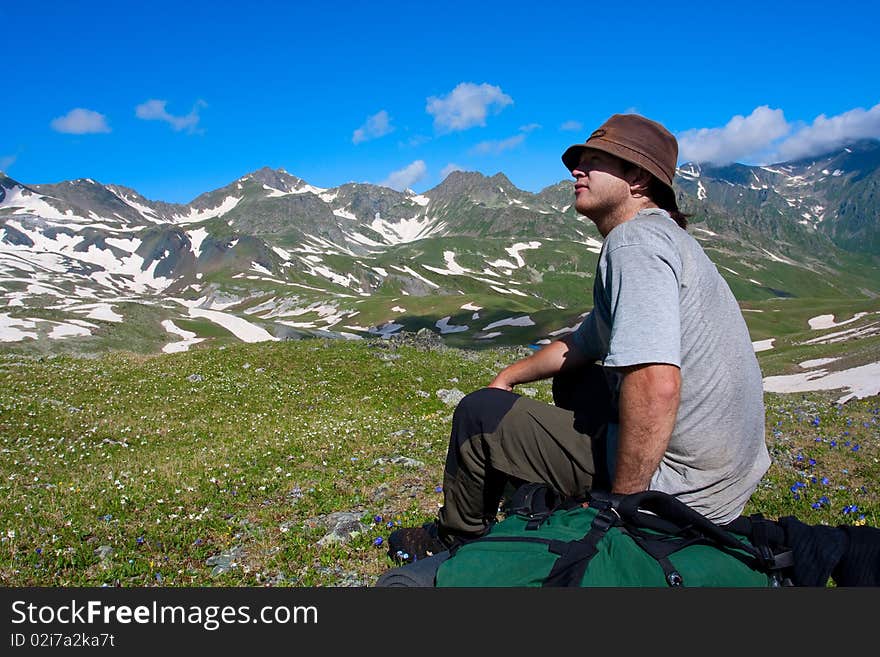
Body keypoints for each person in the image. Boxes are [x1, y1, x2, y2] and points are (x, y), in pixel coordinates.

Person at [386, 113, 772, 565]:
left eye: (596, 162)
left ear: (637, 178)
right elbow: (584, 343)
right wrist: (508, 377)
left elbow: (655, 383)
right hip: (726, 479)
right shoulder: (662, 237)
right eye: (579, 161)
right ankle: (581, 492)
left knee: (477, 415)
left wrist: (623, 509)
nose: (577, 171)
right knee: (573, 381)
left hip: (684, 492)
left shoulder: (634, 245)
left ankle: (456, 538)